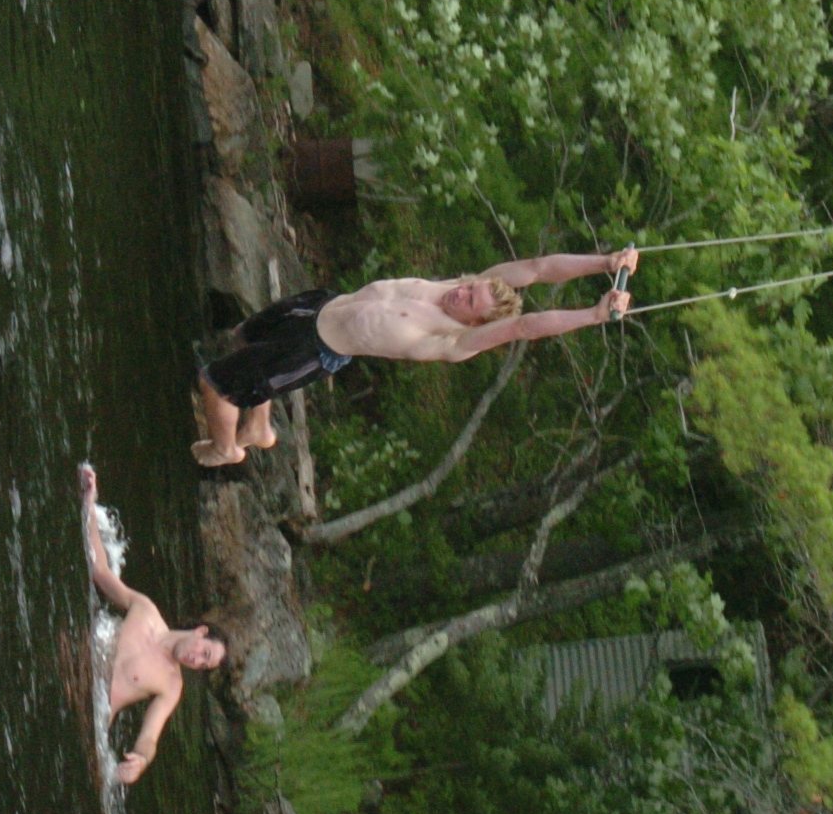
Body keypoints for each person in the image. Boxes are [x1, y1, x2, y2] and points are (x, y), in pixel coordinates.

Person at [193, 248, 638, 467]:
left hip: (314, 349)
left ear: (475, 323)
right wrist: (605, 262)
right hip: (319, 306)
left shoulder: (452, 340)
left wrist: (594, 314)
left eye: (469, 301)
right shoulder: (451, 288)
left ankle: (225, 449)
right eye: (469, 286)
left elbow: (525, 327)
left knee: (217, 386)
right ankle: (259, 426)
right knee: (244, 338)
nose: (461, 293)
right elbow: (538, 269)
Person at [78, 464, 228, 784]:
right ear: (200, 631)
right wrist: (89, 507)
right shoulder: (145, 610)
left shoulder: (171, 686)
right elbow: (101, 572)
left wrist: (142, 760)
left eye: (203, 665)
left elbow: (149, 737)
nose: (196, 661)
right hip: (75, 668)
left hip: (88, 715)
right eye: (204, 653)